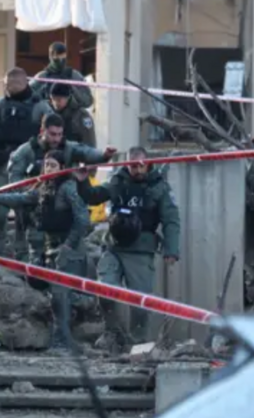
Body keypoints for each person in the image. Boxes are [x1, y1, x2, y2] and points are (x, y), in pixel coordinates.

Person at [0, 151, 91, 350]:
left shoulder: (68, 188)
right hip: (50, 248)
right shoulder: (42, 188)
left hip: (69, 249)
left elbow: (83, 219)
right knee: (54, 294)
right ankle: (61, 335)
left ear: (62, 168)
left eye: (53, 165)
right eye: (47, 164)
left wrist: (68, 246)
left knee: (61, 294)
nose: (49, 169)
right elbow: (21, 198)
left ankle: (64, 338)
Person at [77, 146, 181, 351]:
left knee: (140, 302)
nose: (138, 170)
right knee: (105, 289)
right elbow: (94, 196)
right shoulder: (119, 181)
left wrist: (172, 249)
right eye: (133, 166)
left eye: (141, 166)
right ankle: (112, 332)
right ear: (127, 165)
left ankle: (137, 343)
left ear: (148, 164)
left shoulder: (159, 187)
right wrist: (82, 181)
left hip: (141, 250)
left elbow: (171, 220)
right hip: (114, 247)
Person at [8, 113, 117, 262]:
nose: (56, 139)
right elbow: (14, 181)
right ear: (42, 131)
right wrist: (32, 191)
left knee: (63, 258)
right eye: (52, 134)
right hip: (34, 211)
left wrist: (104, 155)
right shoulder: (25, 151)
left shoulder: (69, 148)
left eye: (60, 134)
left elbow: (87, 152)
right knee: (31, 256)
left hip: (61, 213)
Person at [0, 67, 49, 256]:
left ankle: (22, 251)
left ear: (22, 83)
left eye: (11, 84)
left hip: (28, 167)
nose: (7, 87)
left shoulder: (40, 106)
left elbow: (52, 130)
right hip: (2, 164)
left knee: (24, 212)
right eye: (6, 84)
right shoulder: (1, 106)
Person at [29, 42, 94, 110]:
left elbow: (88, 102)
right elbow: (26, 99)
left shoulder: (74, 75)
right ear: (50, 56)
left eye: (63, 56)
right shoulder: (42, 77)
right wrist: (43, 93)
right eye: (57, 56)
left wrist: (72, 88)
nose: (60, 59)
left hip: (71, 114)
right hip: (48, 114)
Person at [46, 83, 96, 147]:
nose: (55, 103)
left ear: (67, 98)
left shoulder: (81, 116)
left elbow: (90, 143)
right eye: (53, 99)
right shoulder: (48, 111)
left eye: (59, 99)